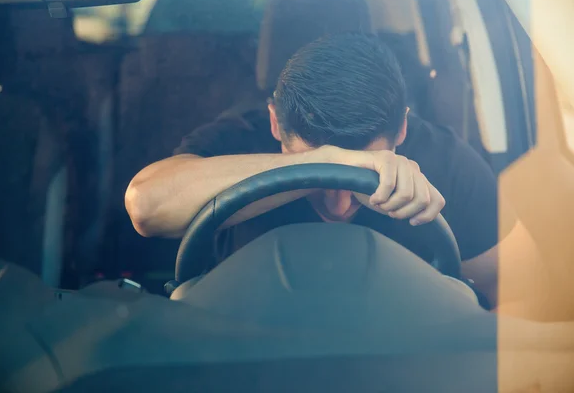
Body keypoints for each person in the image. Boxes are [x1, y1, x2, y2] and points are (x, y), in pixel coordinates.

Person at [125, 33, 547, 311]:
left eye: (362, 165)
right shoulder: (240, 138)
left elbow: (524, 297)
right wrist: (323, 165)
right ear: (275, 124)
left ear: (401, 126)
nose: (339, 203)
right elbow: (146, 206)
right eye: (326, 179)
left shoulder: (447, 161)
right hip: (244, 354)